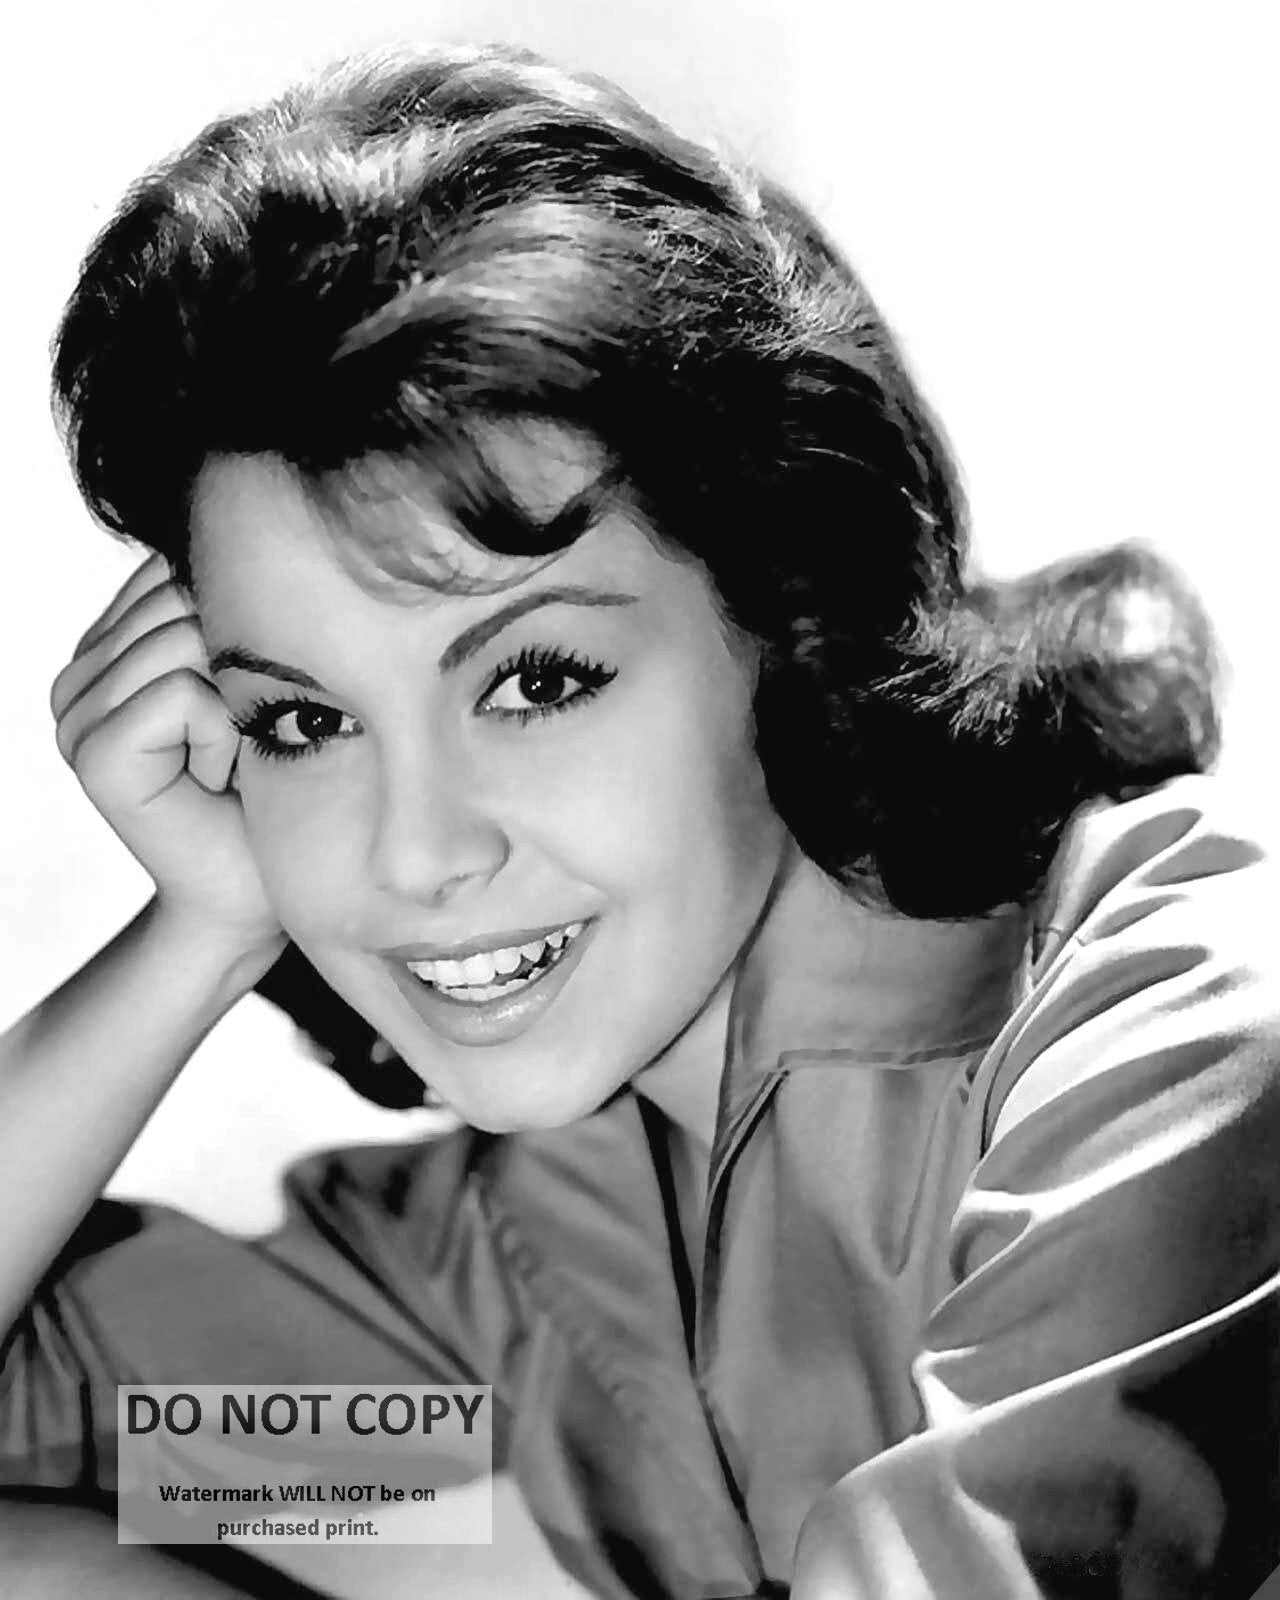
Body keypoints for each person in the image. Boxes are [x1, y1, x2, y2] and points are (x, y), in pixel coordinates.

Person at [1, 41, 1277, 1600]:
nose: (416, 854)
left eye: (537, 680)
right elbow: (46, 1424)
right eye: (305, 721)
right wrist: (196, 937)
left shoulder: (1173, 1016)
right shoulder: (497, 1291)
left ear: (785, 612)